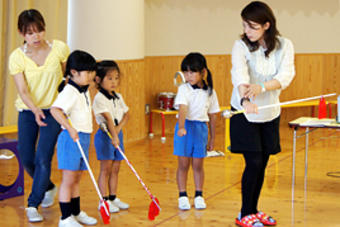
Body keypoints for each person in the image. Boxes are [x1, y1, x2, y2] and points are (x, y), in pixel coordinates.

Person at [229, 1, 295, 226]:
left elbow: (286, 75)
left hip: (269, 111)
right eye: (245, 26)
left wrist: (263, 87)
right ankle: (244, 213)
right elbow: (239, 74)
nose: (247, 31)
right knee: (254, 161)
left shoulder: (285, 45)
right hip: (244, 111)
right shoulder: (240, 46)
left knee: (263, 162)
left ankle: (254, 210)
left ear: (267, 25)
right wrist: (246, 98)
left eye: (252, 26)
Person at [8, 9, 69, 222]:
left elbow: (68, 78)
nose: (36, 37)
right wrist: (34, 111)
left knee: (43, 157)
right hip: (27, 110)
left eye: (39, 31)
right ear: (21, 33)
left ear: (44, 28)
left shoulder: (59, 48)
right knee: (26, 157)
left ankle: (33, 204)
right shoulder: (17, 57)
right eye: (30, 33)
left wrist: (64, 106)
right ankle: (49, 186)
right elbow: (23, 91)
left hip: (53, 110)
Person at [51, 50, 98, 227]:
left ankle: (76, 212)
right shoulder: (70, 91)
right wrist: (69, 128)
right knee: (68, 179)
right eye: (88, 72)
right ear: (73, 72)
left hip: (83, 138)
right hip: (71, 139)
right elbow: (55, 110)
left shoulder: (84, 90)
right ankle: (65, 218)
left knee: (77, 179)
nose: (91, 76)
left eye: (92, 72)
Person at [174, 52, 220, 210]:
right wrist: (181, 127)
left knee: (198, 165)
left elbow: (213, 116)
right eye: (186, 72)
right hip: (185, 127)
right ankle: (183, 195)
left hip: (201, 129)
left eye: (192, 72)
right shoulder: (183, 89)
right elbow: (182, 108)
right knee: (183, 164)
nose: (188, 75)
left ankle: (199, 195)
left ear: (203, 72)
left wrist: (212, 139)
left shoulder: (211, 93)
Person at [93, 60, 130, 213]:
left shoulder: (118, 96)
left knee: (116, 168)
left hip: (116, 134)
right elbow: (108, 120)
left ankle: (113, 197)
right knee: (106, 169)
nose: (114, 81)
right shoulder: (99, 99)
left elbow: (127, 114)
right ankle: (104, 200)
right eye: (109, 78)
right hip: (104, 137)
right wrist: (114, 134)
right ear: (98, 80)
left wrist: (118, 130)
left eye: (116, 78)